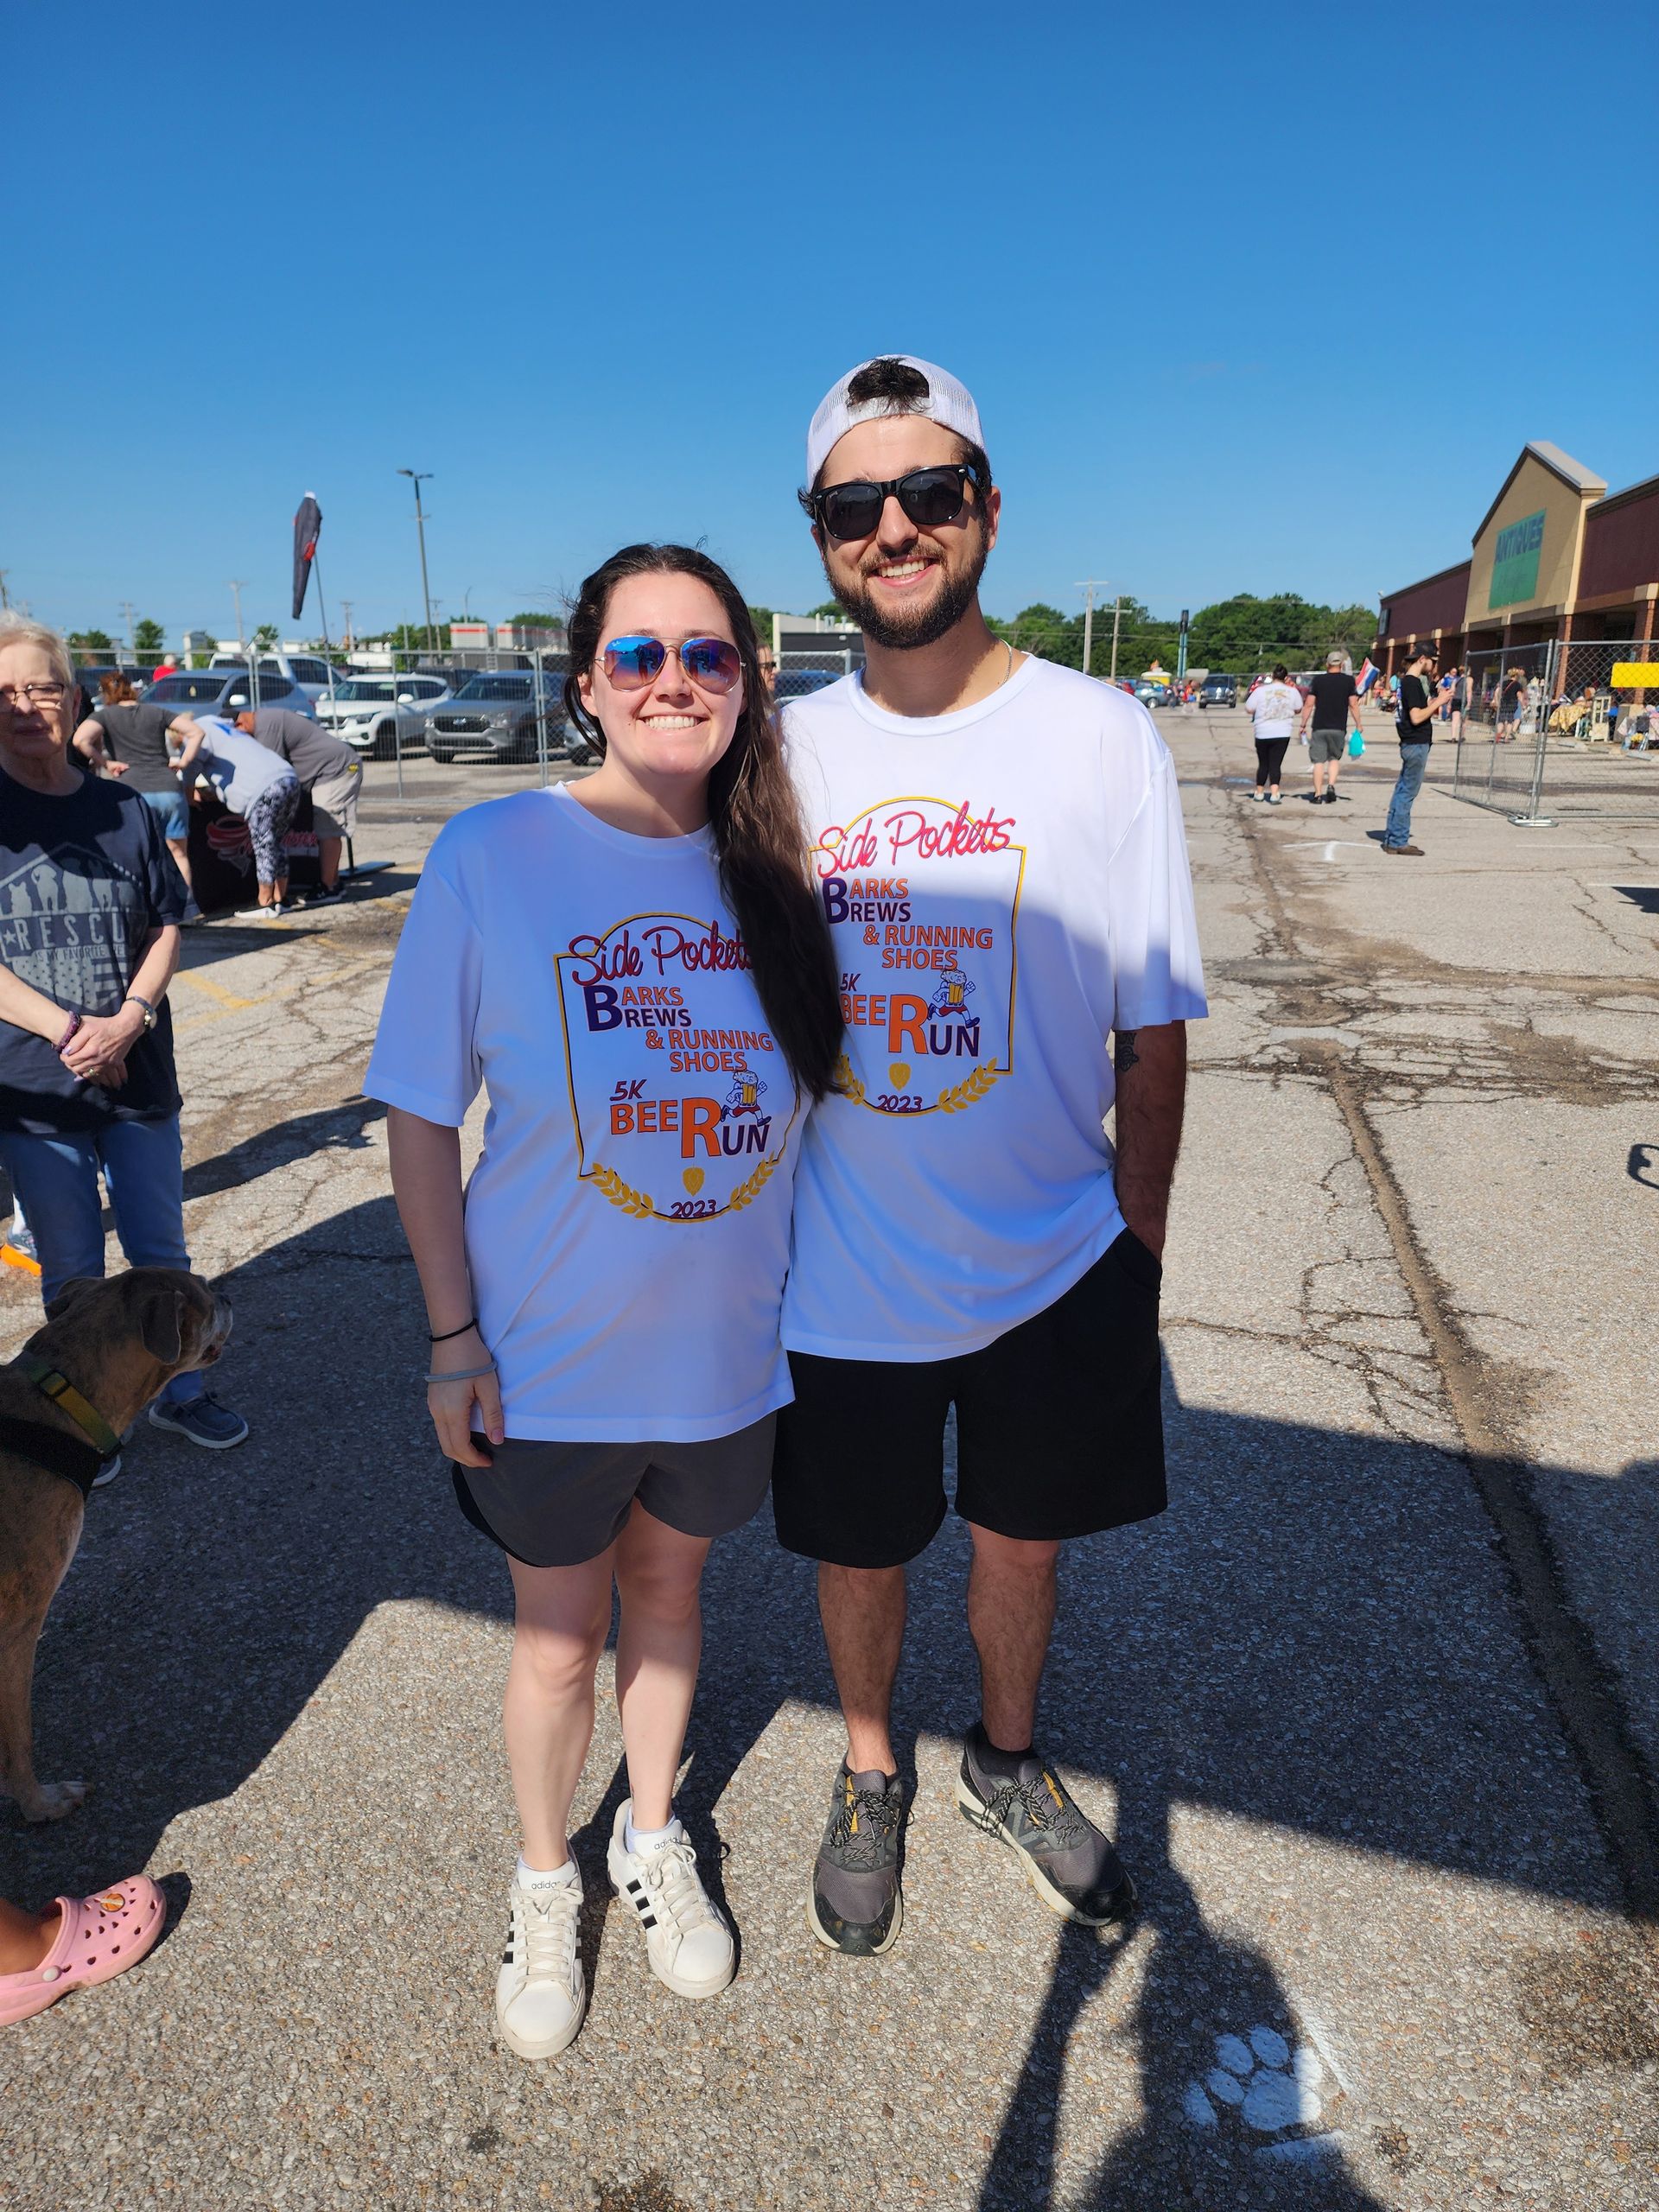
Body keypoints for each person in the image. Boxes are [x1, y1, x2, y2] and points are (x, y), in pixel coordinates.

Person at [366, 544, 841, 2060]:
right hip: (547, 1361)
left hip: (723, 1362)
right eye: (639, 656)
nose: (674, 682)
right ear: (587, 684)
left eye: (708, 654)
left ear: (748, 681)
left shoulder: (782, 872)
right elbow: (420, 1114)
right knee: (558, 1641)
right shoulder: (494, 851)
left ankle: (649, 1836)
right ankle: (542, 1877)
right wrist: (452, 1339)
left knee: (673, 1601)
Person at [775, 356, 1205, 1956]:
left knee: (1024, 1543)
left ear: (988, 511)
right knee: (861, 1549)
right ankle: (871, 1767)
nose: (895, 528)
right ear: (822, 535)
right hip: (842, 1266)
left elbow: (1153, 1020)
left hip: (1055, 1257)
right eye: (855, 506)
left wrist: (1137, 1243)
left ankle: (1005, 1762)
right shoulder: (781, 752)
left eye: (929, 492)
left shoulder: (1102, 735)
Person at [0, 615, 248, 1463]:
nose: (25, 705)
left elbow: (166, 925)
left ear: (74, 700)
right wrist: (71, 1031)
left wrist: (129, 1019)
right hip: (36, 1082)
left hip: (136, 1072)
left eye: (41, 688)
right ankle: (79, 1423)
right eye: (5, 692)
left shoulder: (124, 808)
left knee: (160, 1251)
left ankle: (181, 1393)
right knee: (71, 1270)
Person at [73, 673, 205, 897]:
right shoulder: (156, 711)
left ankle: (144, 905)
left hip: (132, 793)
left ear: (105, 693)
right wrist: (183, 762)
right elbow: (196, 732)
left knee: (136, 855)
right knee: (179, 854)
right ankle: (186, 907)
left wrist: (106, 763)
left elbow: (79, 740)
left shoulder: (105, 715)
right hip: (169, 790)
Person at [224, 702, 362, 904]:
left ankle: (328, 888)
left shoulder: (266, 727)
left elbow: (270, 769)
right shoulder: (265, 720)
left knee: (328, 829)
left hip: (338, 769)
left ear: (240, 725)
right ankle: (332, 882)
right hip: (328, 770)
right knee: (326, 829)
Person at [172, 714, 301, 916]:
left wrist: (189, 796)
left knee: (264, 843)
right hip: (288, 777)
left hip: (263, 788)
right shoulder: (217, 724)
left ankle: (265, 902)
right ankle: (280, 898)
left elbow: (191, 766)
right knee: (276, 841)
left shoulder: (194, 733)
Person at [1384, 643, 1441, 856]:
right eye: (1433, 661)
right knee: (1407, 793)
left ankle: (1393, 839)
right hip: (1415, 743)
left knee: (1402, 791)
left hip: (1411, 743)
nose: (1434, 665)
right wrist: (1438, 702)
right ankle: (1398, 840)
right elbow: (1416, 717)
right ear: (1422, 659)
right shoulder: (1412, 683)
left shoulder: (1406, 682)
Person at [1297, 649, 1362, 804]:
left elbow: (1309, 704)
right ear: (1342, 664)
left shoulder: (1318, 681)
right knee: (1334, 759)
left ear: (1327, 664)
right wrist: (1358, 724)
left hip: (1320, 726)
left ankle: (1318, 794)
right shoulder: (1348, 681)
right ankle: (1331, 786)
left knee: (1318, 761)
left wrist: (1303, 724)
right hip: (1339, 727)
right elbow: (1353, 704)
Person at [1247, 663, 1301, 802]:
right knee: (1275, 764)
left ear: (1272, 676)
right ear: (1286, 677)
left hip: (1262, 731)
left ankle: (1259, 792)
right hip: (1282, 732)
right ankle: (1274, 793)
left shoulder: (1260, 691)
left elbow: (1249, 708)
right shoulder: (1292, 691)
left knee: (1263, 763)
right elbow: (1298, 708)